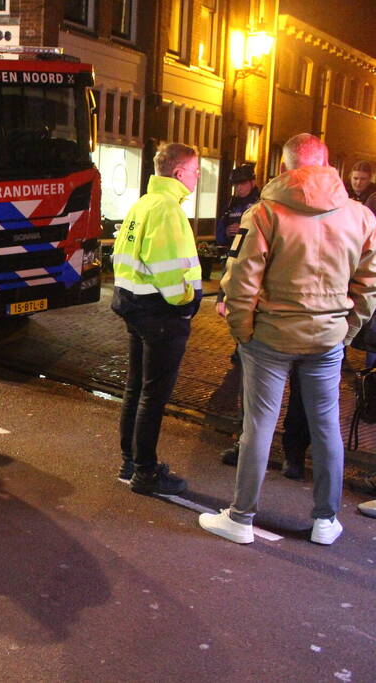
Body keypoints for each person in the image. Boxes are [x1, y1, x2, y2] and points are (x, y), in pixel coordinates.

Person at [199, 133, 376, 546]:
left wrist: (243, 330)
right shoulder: (360, 217)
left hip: (271, 337)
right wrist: (346, 331)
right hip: (327, 340)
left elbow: (241, 281)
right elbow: (367, 288)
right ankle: (325, 520)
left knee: (259, 426)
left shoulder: (264, 213)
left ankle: (241, 518)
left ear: (283, 168)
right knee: (327, 425)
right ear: (327, 165)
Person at [111, 143, 202, 495]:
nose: (197, 177)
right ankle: (146, 473)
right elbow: (169, 269)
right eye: (195, 171)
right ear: (179, 173)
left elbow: (123, 255)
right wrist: (187, 302)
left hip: (135, 307)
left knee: (135, 390)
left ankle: (131, 462)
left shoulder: (143, 204)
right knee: (153, 395)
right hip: (162, 314)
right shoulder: (168, 210)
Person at [216, 164, 260, 248]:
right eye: (236, 184)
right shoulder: (231, 205)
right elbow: (219, 237)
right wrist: (226, 233)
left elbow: (268, 235)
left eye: (243, 183)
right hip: (232, 255)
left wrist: (244, 231)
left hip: (253, 254)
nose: (239, 188)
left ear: (253, 182)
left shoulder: (261, 204)